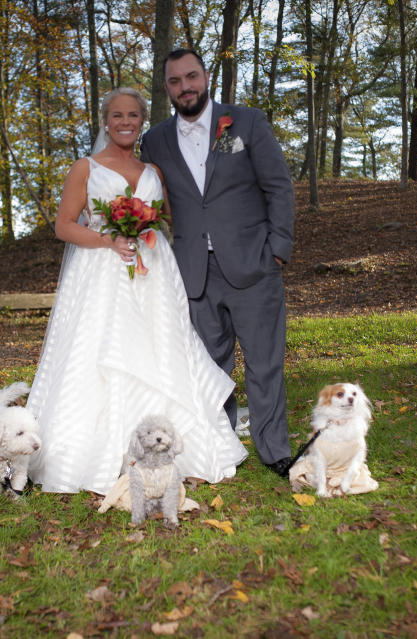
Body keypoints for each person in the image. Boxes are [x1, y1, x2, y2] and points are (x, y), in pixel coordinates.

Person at [26, 87, 247, 495]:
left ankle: (177, 448)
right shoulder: (85, 168)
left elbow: (169, 220)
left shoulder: (155, 172)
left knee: (160, 346)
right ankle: (93, 454)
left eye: (132, 115)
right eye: (117, 116)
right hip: (101, 272)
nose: (125, 122)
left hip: (153, 272)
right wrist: (109, 240)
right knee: (101, 352)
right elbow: (65, 226)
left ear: (142, 120)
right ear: (105, 121)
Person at [140, 49, 296, 477]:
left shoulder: (245, 122)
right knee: (210, 369)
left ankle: (274, 449)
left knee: (265, 364)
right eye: (175, 81)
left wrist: (278, 247)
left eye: (191, 76)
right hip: (193, 271)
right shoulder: (154, 140)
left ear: (206, 77)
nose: (185, 86)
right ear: (167, 87)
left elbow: (279, 186)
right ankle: (223, 448)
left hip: (254, 264)